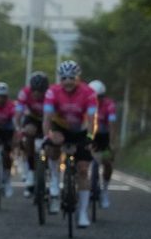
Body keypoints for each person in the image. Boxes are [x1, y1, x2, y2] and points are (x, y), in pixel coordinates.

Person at [42, 60, 99, 227]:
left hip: (80, 129)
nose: (68, 81)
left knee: (82, 170)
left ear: (77, 78)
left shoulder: (88, 93)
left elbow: (91, 119)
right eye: (64, 78)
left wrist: (90, 137)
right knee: (54, 144)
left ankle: (82, 213)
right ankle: (54, 181)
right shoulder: (52, 92)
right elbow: (46, 118)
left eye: (71, 78)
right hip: (61, 127)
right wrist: (47, 136)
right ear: (60, 78)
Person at [14, 72, 49, 197]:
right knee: (29, 133)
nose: (37, 94)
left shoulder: (51, 95)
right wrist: (18, 128)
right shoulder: (24, 93)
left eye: (40, 91)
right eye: (34, 90)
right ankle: (30, 172)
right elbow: (18, 114)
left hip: (49, 119)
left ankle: (49, 170)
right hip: (32, 118)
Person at [88, 80, 117, 209]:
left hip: (104, 136)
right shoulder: (86, 102)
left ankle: (104, 190)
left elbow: (111, 126)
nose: (96, 100)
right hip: (90, 135)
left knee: (107, 162)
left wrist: (111, 143)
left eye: (98, 98)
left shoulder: (109, 105)